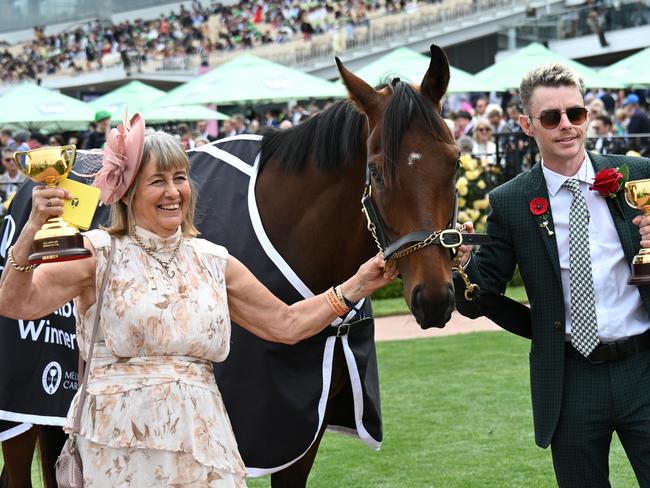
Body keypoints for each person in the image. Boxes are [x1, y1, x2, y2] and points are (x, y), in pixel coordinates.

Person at [0, 114, 397, 486]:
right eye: (158, 181)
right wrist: (30, 234)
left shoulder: (214, 260)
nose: (173, 192)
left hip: (203, 444)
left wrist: (357, 285)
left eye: (180, 178)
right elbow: (16, 304)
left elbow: (286, 324)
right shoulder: (97, 253)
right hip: (117, 447)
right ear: (128, 191)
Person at [456, 63, 650, 487]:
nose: (567, 126)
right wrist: (461, 263)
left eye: (575, 113)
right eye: (551, 117)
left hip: (644, 367)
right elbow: (479, 296)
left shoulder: (637, 175)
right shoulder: (511, 202)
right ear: (527, 124)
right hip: (571, 378)